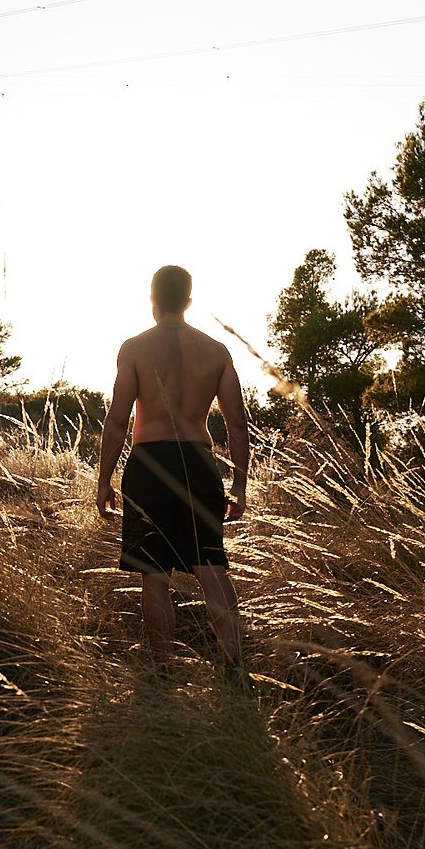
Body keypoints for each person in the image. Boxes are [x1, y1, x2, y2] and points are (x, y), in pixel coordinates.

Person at [96, 264, 250, 674]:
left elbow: (116, 419)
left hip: (150, 464)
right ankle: (235, 667)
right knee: (212, 569)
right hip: (199, 464)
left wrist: (104, 481)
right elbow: (237, 423)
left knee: (155, 575)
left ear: (152, 301)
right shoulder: (216, 351)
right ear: (188, 301)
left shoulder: (134, 348)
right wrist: (239, 484)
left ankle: (161, 671)